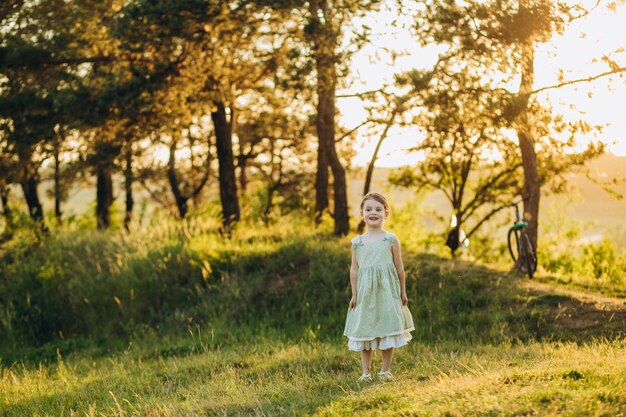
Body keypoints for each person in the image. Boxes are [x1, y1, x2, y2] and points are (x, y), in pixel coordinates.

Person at [343, 192, 415, 382]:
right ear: (362, 214)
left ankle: (385, 370)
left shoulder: (390, 240)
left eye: (378, 209)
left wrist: (402, 291)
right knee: (364, 329)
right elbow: (354, 269)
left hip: (387, 291)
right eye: (368, 209)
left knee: (387, 326)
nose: (373, 212)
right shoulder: (357, 243)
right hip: (365, 293)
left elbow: (399, 267)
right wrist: (354, 294)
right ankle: (366, 373)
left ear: (386, 213)